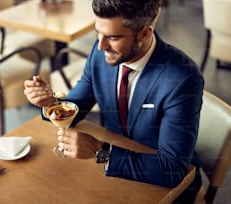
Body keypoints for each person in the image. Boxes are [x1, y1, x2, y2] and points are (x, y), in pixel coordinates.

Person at [24, 0, 204, 203]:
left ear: (145, 33)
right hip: (119, 165)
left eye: (113, 37)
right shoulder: (102, 53)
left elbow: (172, 169)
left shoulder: (183, 78)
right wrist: (51, 103)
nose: (100, 46)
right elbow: (77, 106)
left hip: (162, 181)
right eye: (98, 33)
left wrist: (102, 152)